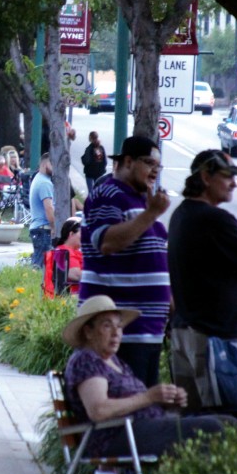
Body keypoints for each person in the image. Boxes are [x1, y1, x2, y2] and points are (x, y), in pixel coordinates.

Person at [62, 295, 231, 474]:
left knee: (229, 423)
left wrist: (166, 401)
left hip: (139, 429)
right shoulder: (87, 360)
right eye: (107, 325)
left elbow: (137, 401)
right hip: (115, 437)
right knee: (213, 428)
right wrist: (148, 397)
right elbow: (99, 410)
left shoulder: (114, 361)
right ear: (88, 331)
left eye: (119, 326)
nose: (117, 333)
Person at [168, 149, 237, 411]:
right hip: (216, 341)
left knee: (190, 423)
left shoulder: (181, 215)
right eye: (228, 176)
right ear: (206, 177)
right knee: (221, 421)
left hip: (186, 332)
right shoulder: (216, 219)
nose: (234, 183)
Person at [79, 136, 171, 388]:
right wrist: (152, 214)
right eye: (149, 163)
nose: (155, 171)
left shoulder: (140, 200)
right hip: (121, 331)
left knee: (146, 412)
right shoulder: (108, 194)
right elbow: (107, 243)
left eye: (158, 166)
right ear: (128, 161)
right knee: (130, 410)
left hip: (148, 330)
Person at [28, 152, 55, 268]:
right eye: (53, 164)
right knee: (40, 266)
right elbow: (49, 208)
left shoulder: (38, 178)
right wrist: (54, 227)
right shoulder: (45, 183)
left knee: (39, 263)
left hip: (38, 229)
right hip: (43, 229)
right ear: (44, 165)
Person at [52, 217, 83, 294]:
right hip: (76, 294)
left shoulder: (75, 251)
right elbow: (75, 275)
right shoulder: (64, 252)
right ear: (71, 234)